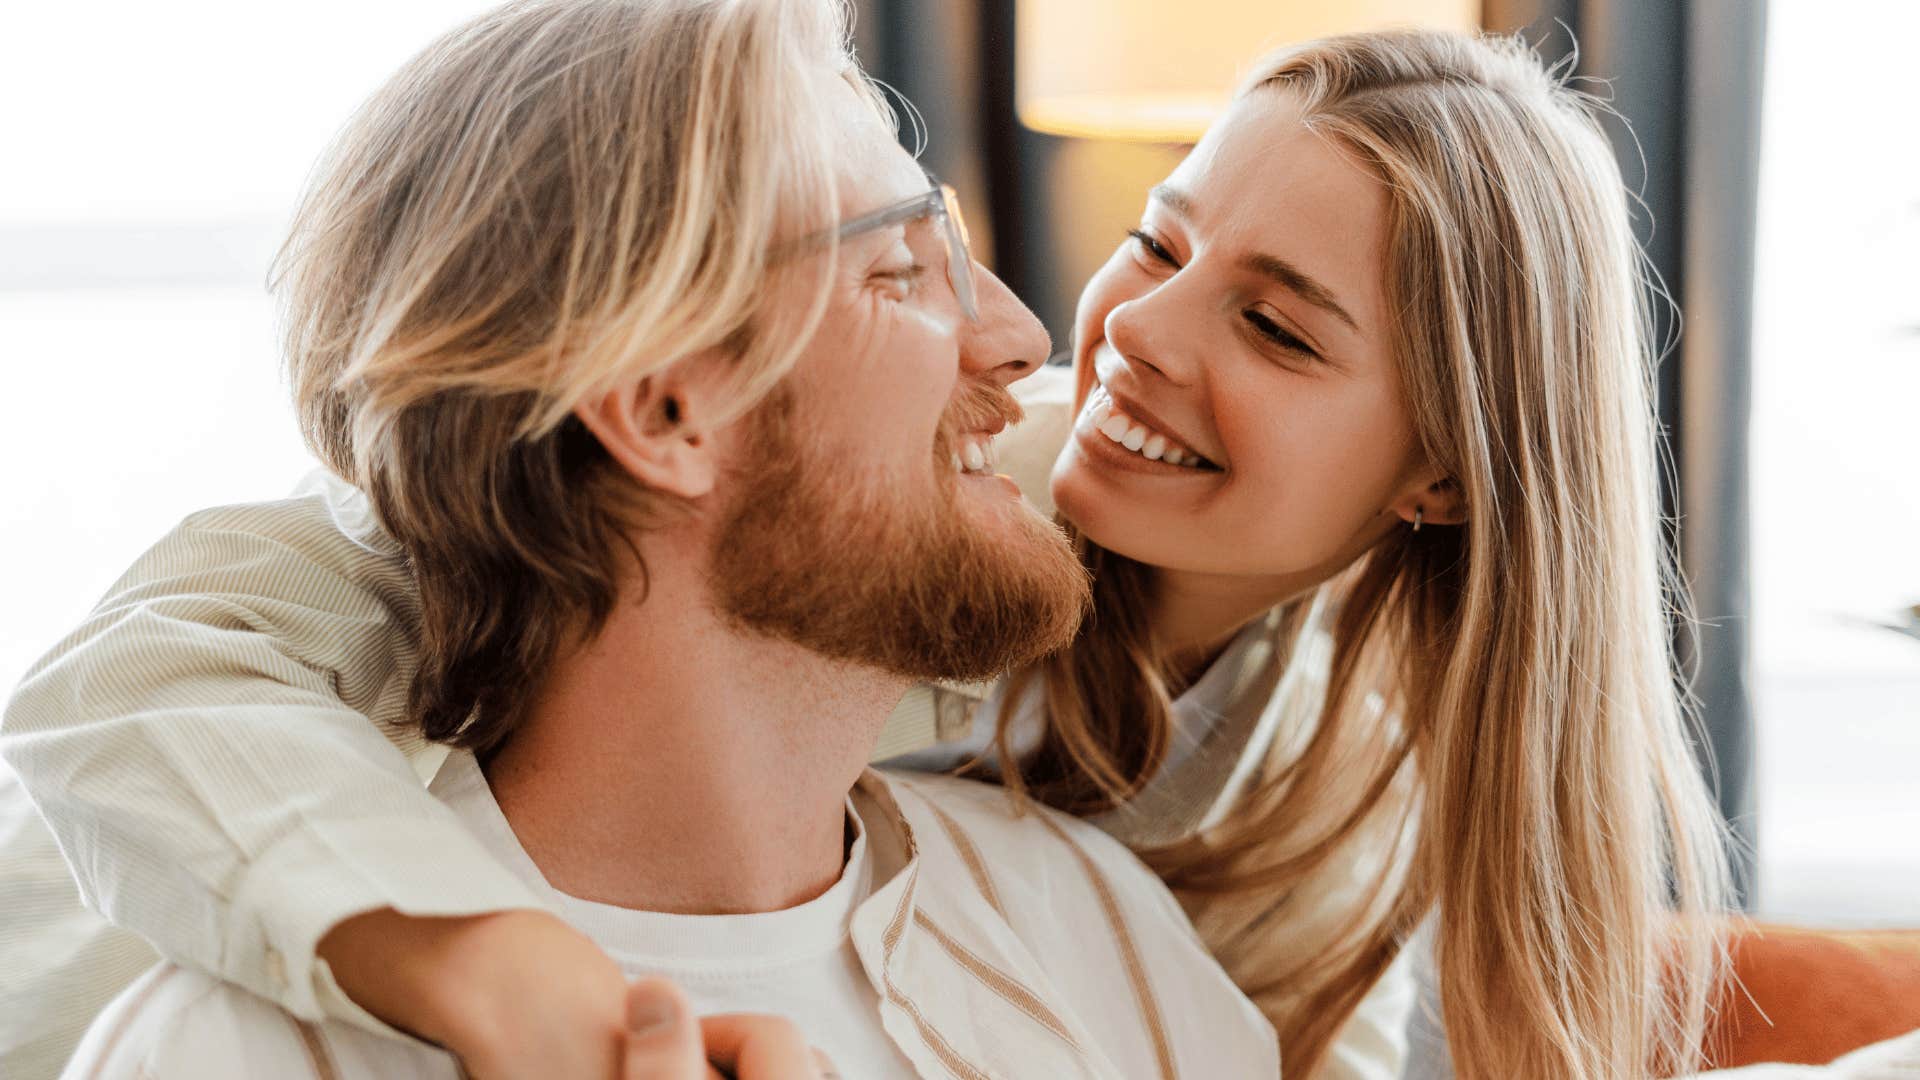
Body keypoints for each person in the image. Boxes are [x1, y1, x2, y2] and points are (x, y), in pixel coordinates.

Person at [19, 17, 1855, 1080]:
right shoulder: (836, 503)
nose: (1083, 339)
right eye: (1158, 240)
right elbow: (131, 676)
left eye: (1283, 332)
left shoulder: (1246, 854)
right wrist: (469, 956)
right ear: (664, 414)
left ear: (1440, 479)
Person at [13, 1, 1284, 1078]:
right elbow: (139, 664)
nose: (1024, 341)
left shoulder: (1104, 942)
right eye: (900, 271)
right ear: (666, 413)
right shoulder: (241, 1046)